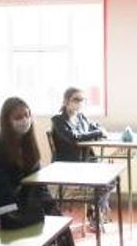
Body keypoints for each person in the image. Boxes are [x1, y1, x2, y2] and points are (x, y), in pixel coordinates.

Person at [0, 96, 99, 246]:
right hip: (2, 208)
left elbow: (38, 182)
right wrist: (34, 198)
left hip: (25, 201)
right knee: (49, 218)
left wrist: (46, 202)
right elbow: (1, 190)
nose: (24, 120)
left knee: (55, 217)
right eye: (18, 117)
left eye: (27, 115)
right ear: (7, 120)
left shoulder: (27, 143)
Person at [48, 87, 113, 230]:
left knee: (112, 178)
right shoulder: (58, 119)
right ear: (66, 101)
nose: (79, 103)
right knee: (102, 181)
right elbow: (73, 138)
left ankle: (94, 211)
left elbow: (91, 127)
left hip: (86, 160)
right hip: (70, 164)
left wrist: (99, 129)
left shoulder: (80, 116)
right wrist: (97, 132)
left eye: (82, 100)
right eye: (76, 99)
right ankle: (95, 214)